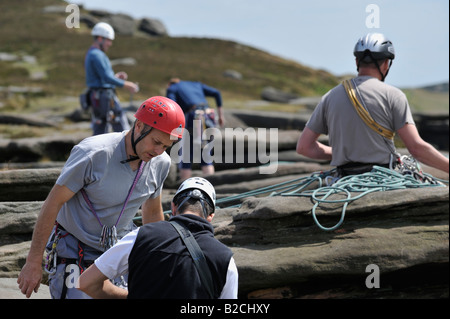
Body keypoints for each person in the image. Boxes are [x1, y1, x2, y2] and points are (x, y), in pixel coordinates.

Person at [17, 96, 185, 299]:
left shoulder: (161, 163)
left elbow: (152, 213)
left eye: (166, 146)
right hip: (74, 247)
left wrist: (161, 262)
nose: (159, 151)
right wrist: (34, 262)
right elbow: (53, 203)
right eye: (156, 142)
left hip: (119, 248)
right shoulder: (93, 153)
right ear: (139, 126)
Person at [296, 33, 449, 176]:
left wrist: (341, 153)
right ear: (386, 65)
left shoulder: (329, 96)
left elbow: (304, 147)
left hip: (342, 179)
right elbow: (416, 148)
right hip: (383, 178)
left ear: (357, 62)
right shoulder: (393, 95)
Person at [77, 177, 238, 299]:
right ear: (211, 216)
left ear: (173, 207)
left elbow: (85, 282)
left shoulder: (141, 236)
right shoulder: (225, 259)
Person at [85, 22, 139, 135]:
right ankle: (127, 152)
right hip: (105, 97)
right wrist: (128, 84)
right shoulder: (97, 55)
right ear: (100, 38)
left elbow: (103, 78)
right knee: (121, 126)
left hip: (97, 97)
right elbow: (106, 77)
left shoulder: (92, 53)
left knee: (100, 126)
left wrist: (115, 78)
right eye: (108, 40)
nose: (110, 44)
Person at [166, 78, 225, 180]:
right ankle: (211, 184)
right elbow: (216, 93)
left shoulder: (172, 88)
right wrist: (220, 115)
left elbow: (172, 106)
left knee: (186, 154)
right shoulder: (196, 84)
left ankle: (183, 186)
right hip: (209, 116)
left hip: (194, 116)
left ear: (169, 84)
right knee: (206, 154)